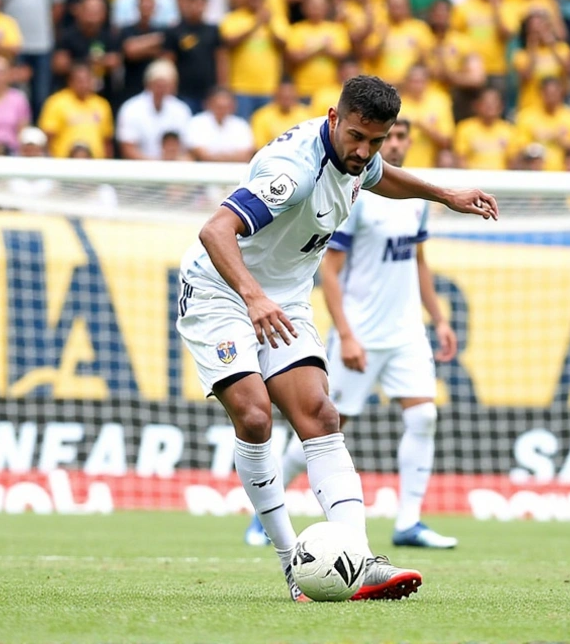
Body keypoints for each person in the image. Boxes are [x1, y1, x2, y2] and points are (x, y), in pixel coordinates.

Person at [176, 75, 496, 601]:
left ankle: (362, 559)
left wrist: (445, 194)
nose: (364, 151)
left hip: (283, 294)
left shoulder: (358, 155)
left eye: (376, 140)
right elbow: (215, 231)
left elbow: (381, 176)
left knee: (321, 415)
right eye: (356, 137)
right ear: (332, 118)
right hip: (221, 289)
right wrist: (254, 297)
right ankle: (288, 564)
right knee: (255, 415)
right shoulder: (293, 171)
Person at [245, 118, 458, 550]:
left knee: (424, 417)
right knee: (323, 424)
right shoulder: (356, 193)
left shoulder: (414, 199)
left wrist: (439, 319)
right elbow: (332, 270)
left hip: (405, 333)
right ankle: (264, 514)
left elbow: (418, 261)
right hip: (359, 332)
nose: (392, 145)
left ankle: (409, 522)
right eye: (388, 138)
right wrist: (347, 334)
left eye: (398, 138)